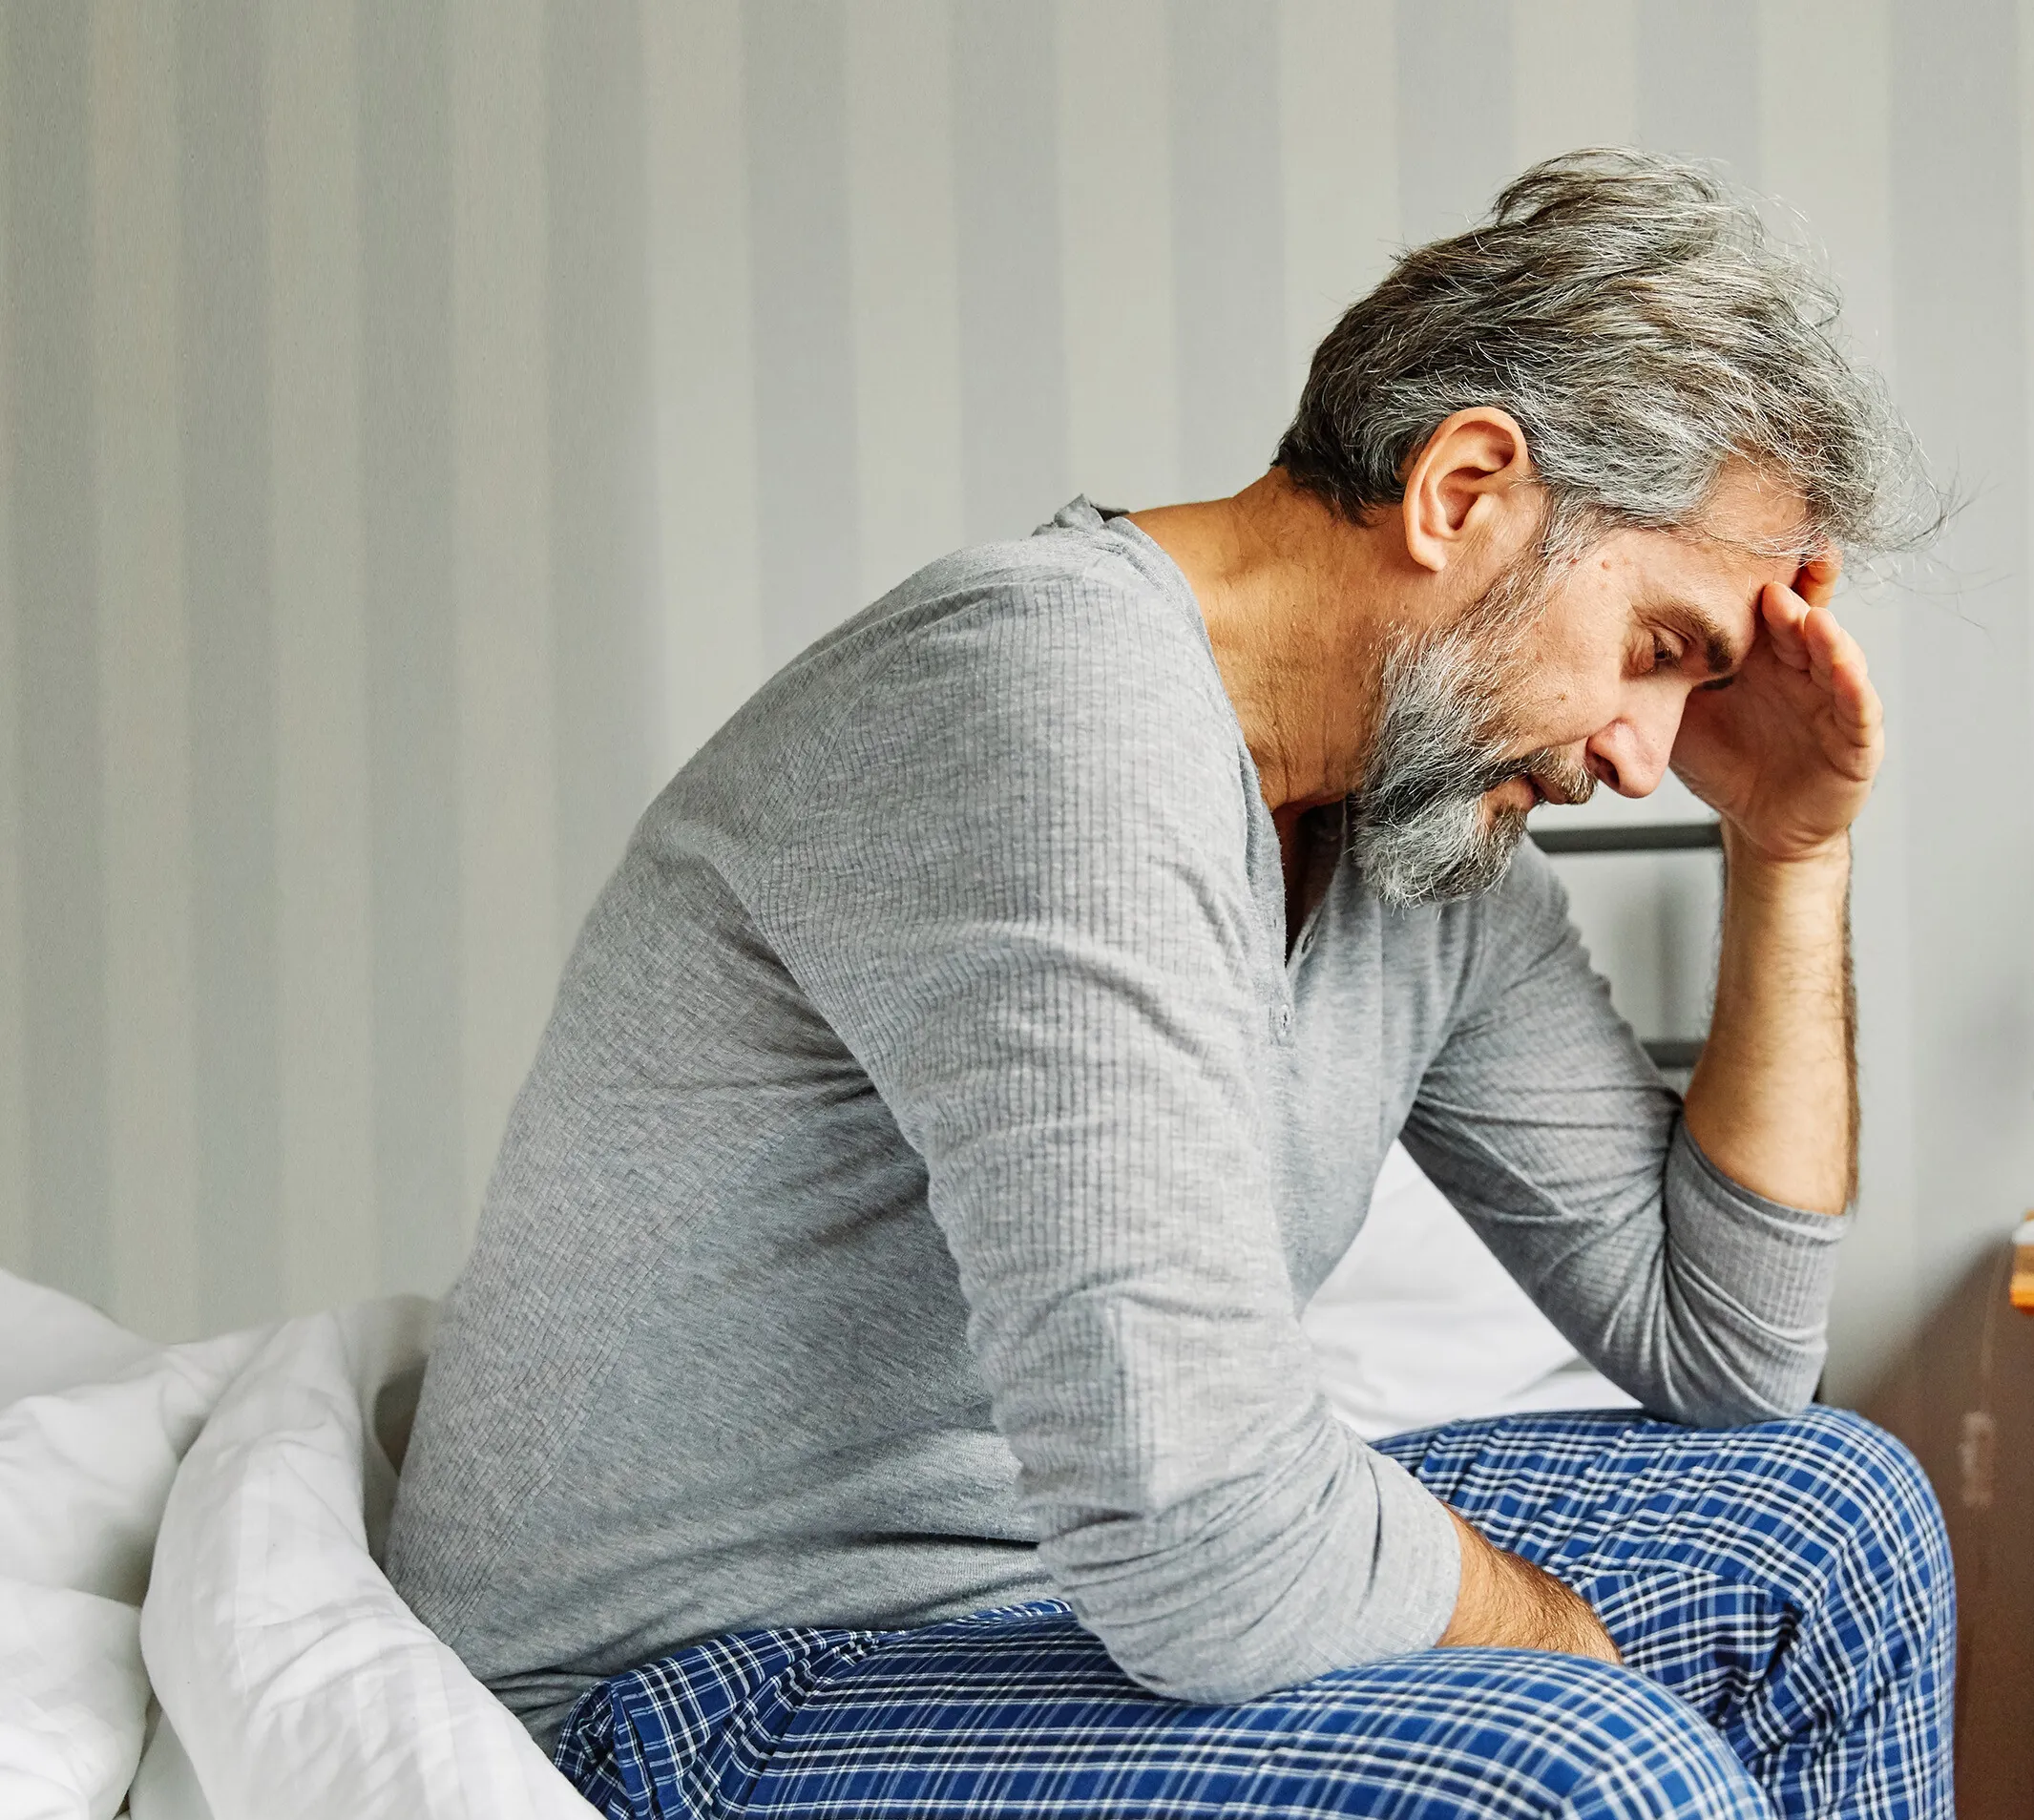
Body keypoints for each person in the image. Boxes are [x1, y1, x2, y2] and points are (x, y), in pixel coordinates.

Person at [388, 149, 1955, 1819]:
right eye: (1657, 649)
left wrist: (1790, 847)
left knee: (1835, 1517)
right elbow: (1203, 1531)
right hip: (690, 1679)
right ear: (1463, 492)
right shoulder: (1048, 702)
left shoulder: (1418, 829)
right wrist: (1549, 1637)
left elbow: (1728, 1350)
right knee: (1585, 1775)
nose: (1646, 755)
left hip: (1043, 1595)